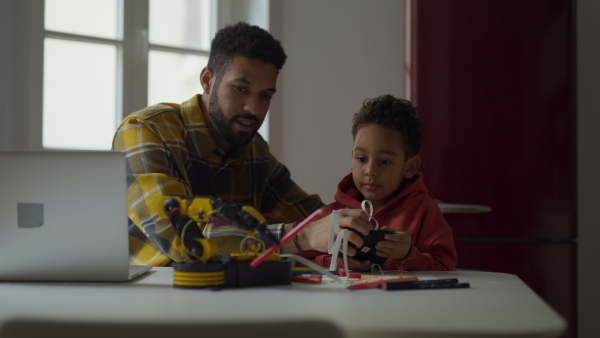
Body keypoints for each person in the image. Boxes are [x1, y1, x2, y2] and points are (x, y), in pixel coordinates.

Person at [113, 22, 371, 266]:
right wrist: (298, 238)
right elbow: (184, 239)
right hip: (145, 298)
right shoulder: (144, 130)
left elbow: (313, 216)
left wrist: (370, 227)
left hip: (231, 296)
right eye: (241, 89)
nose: (254, 108)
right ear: (207, 80)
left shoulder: (253, 149)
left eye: (266, 95)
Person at [299, 94, 457, 271]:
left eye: (384, 161)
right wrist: (335, 263)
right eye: (361, 158)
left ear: (410, 167)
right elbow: (296, 263)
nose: (370, 170)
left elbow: (446, 269)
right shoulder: (335, 215)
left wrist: (409, 255)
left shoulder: (424, 212)